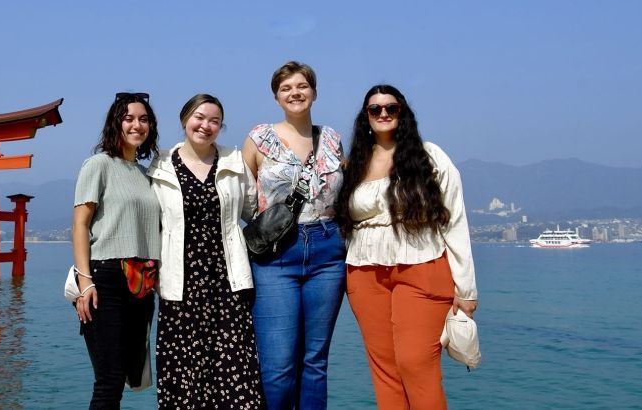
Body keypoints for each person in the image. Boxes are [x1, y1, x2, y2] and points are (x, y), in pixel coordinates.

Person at [335, 84, 478, 410]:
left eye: (391, 108)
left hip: (422, 267)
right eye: (375, 109)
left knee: (416, 364)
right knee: (385, 370)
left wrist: (467, 289)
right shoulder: (355, 164)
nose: (383, 113)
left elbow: (454, 222)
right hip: (363, 272)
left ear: (402, 113)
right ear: (366, 116)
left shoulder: (430, 157)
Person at [149, 94, 265, 409]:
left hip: (228, 282)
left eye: (215, 121)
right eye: (200, 117)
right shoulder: (160, 164)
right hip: (179, 283)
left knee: (234, 370)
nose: (206, 125)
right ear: (185, 118)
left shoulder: (233, 160)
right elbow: (147, 221)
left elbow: (254, 210)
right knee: (183, 373)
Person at [242, 61, 346, 410]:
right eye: (286, 88)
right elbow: (239, 197)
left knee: (315, 362)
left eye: (301, 86)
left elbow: (346, 195)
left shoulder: (332, 138)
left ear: (314, 92)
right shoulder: (259, 138)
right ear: (276, 97)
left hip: (327, 250)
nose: (295, 93)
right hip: (275, 255)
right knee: (278, 366)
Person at [72, 92, 162, 409]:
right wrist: (85, 283)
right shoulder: (98, 165)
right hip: (105, 278)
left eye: (143, 119)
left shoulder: (146, 174)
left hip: (142, 281)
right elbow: (80, 225)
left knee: (127, 376)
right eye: (128, 118)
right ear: (116, 123)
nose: (137, 125)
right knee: (109, 380)